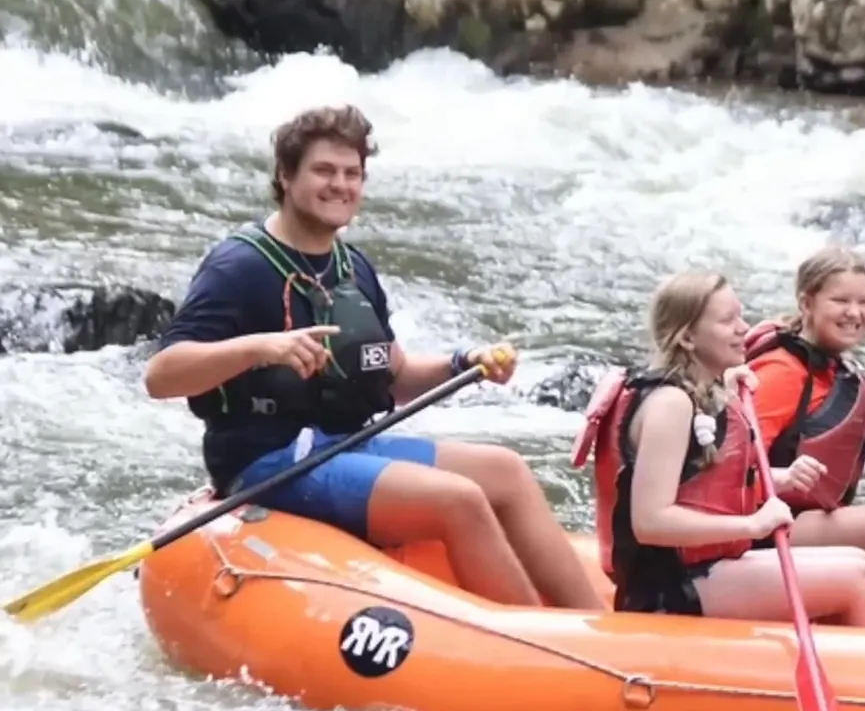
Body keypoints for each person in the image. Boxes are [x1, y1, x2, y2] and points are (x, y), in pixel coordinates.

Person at [142, 104, 602, 610]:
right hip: (265, 462)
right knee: (459, 499)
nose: (340, 185)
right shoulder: (238, 266)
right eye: (323, 170)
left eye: (352, 173)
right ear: (285, 176)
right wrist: (260, 347)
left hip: (343, 444)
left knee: (507, 470)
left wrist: (463, 364)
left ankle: (600, 629)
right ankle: (536, 643)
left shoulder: (351, 266)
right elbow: (162, 376)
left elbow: (396, 376)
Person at [570, 271, 865, 627]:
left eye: (740, 316)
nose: (745, 328)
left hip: (701, 569)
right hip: (670, 587)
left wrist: (782, 477)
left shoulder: (700, 391)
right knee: (857, 580)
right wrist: (751, 525)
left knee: (859, 561)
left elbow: (705, 483)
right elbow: (651, 521)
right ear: (688, 337)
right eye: (728, 321)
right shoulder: (670, 405)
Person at [741, 245, 865, 634]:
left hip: (802, 522)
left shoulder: (835, 368)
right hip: (766, 529)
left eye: (864, 302)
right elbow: (732, 464)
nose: (855, 313)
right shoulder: (782, 372)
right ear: (807, 302)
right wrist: (782, 477)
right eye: (841, 300)